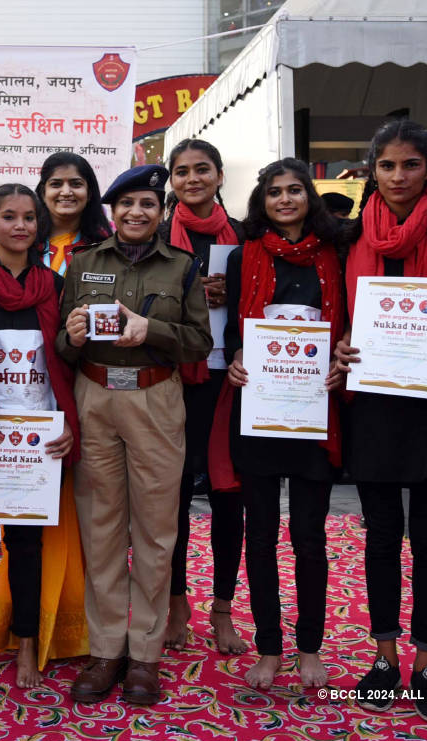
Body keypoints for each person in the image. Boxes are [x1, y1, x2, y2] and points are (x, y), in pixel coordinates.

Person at [330, 120, 427, 723]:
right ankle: (384, 656)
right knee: (380, 534)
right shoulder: (346, 238)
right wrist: (338, 343)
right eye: (387, 166)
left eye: (410, 165)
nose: (398, 177)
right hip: (371, 405)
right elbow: (335, 312)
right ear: (373, 171)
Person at [60, 164, 213, 706]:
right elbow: (61, 344)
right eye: (126, 204)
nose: (136, 213)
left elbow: (199, 341)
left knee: (154, 529)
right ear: (112, 211)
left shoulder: (182, 267)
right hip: (95, 396)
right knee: (101, 527)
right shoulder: (82, 263)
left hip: (155, 399)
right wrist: (73, 335)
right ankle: (107, 651)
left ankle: (145, 654)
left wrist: (155, 330)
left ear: (161, 211)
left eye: (147, 204)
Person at [213, 158, 342, 691]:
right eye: (273, 192)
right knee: (260, 535)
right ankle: (270, 646)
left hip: (315, 412)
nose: (284, 199)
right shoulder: (244, 257)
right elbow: (233, 330)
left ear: (309, 197)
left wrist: (343, 358)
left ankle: (309, 647)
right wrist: (238, 356)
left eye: (294, 190)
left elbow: (351, 320)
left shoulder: (336, 255)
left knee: (309, 537)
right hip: (260, 409)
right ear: (261, 203)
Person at [0, 184, 84, 690]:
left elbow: (66, 364)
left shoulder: (53, 285)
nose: (21, 226)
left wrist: (68, 421)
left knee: (27, 545)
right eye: (9, 216)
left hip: (37, 438)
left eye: (29, 217)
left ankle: (27, 644)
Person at [156, 138, 247, 655]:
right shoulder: (156, 240)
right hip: (174, 378)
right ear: (172, 180)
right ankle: (176, 605)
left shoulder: (245, 237)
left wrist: (232, 292)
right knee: (171, 500)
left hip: (229, 378)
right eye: (182, 171)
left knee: (227, 495)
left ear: (218, 175)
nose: (192, 179)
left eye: (202, 169)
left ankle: (222, 609)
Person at [35, 152, 111, 277]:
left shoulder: (104, 248)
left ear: (89, 193)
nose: (66, 192)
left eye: (76, 184)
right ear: (43, 193)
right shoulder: (26, 242)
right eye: (56, 184)